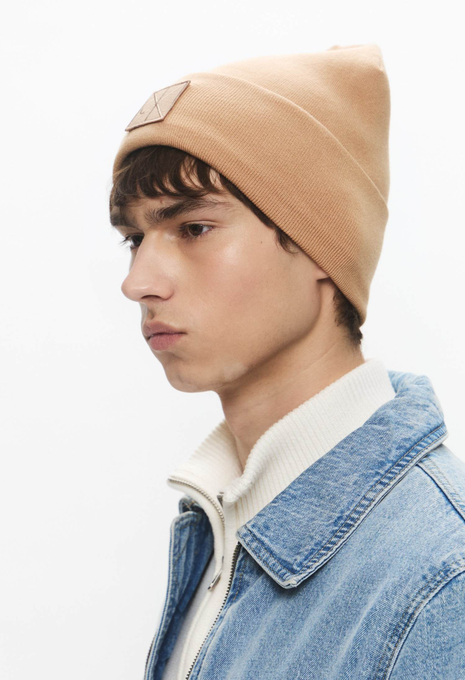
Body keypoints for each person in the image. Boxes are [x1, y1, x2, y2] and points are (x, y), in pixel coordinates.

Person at [108, 43, 465, 679]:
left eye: (194, 229)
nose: (139, 282)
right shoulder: (221, 524)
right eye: (135, 239)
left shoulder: (440, 584)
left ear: (323, 242)